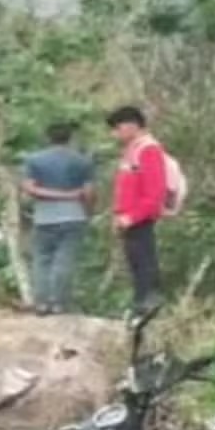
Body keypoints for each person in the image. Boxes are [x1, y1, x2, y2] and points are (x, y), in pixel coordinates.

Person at [22, 122, 95, 315]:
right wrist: (85, 210)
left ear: (47, 138)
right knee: (65, 260)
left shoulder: (34, 160)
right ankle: (59, 303)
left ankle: (41, 302)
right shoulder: (82, 161)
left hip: (44, 216)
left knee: (42, 260)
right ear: (70, 139)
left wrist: (50, 194)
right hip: (74, 216)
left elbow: (29, 188)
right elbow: (88, 193)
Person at [106, 106, 168, 315]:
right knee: (136, 263)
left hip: (139, 218)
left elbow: (154, 192)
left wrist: (131, 217)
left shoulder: (149, 150)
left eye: (117, 128)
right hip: (128, 218)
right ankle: (140, 303)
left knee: (145, 262)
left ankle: (149, 302)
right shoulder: (133, 150)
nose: (114, 135)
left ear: (131, 125)